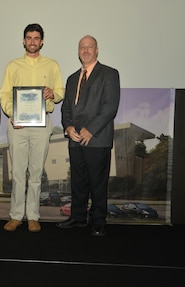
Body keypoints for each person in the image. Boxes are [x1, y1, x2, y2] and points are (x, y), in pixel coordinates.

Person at [0, 23, 64, 232]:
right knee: (18, 173)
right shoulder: (13, 65)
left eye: (36, 38)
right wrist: (13, 114)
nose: (32, 42)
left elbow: (61, 91)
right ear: (23, 40)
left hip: (41, 124)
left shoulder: (52, 65)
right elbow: (5, 95)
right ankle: (16, 216)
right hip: (17, 126)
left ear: (42, 41)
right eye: (29, 38)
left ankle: (34, 216)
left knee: (36, 173)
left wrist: (52, 94)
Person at [56, 35, 120, 237]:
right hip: (75, 140)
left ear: (97, 50)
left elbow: (110, 107)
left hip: (97, 139)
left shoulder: (109, 74)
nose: (85, 50)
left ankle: (99, 220)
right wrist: (68, 127)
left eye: (89, 47)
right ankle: (77, 217)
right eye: (82, 47)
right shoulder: (72, 78)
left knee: (97, 183)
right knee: (78, 182)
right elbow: (66, 108)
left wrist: (90, 130)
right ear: (78, 51)